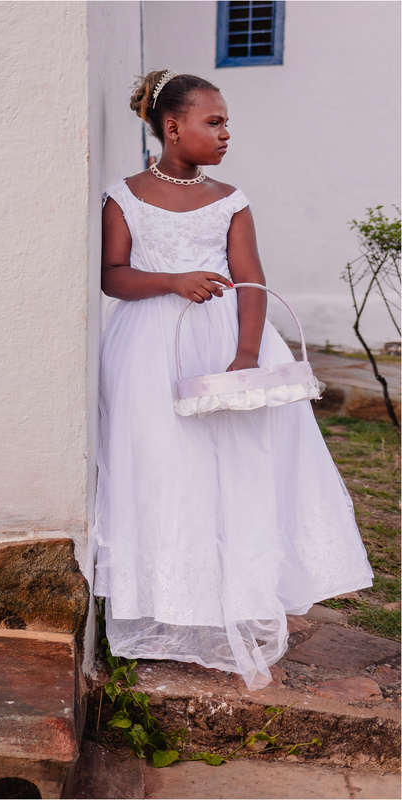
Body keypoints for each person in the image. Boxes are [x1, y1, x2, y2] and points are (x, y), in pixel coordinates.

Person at [91, 70, 373, 690]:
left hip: (225, 340)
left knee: (241, 466)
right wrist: (170, 280)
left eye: (225, 123)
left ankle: (239, 593)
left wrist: (246, 355)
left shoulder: (231, 198)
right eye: (212, 122)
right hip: (150, 347)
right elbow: (113, 275)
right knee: (166, 466)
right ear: (173, 127)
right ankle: (169, 606)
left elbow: (250, 279)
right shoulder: (124, 196)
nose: (225, 134)